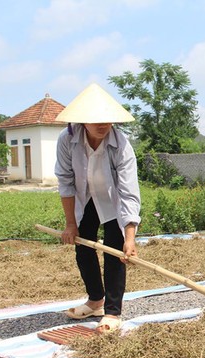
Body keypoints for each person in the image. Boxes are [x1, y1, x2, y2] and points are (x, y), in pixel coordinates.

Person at [54, 83, 141, 334]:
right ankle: (95, 301)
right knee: (83, 248)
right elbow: (66, 181)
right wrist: (71, 224)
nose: (103, 125)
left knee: (115, 252)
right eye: (96, 120)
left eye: (108, 120)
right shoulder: (68, 139)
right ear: (82, 121)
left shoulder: (121, 145)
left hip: (114, 201)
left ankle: (113, 312)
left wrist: (130, 238)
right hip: (86, 198)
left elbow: (128, 192)